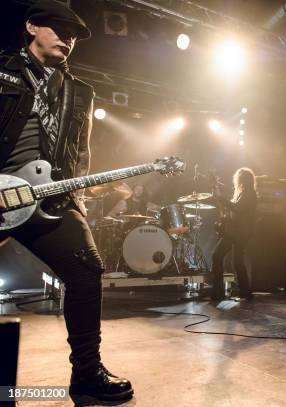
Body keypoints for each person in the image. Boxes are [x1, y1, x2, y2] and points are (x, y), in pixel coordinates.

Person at [0, 1, 133, 404]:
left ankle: (87, 374)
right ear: (31, 26)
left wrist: (77, 193)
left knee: (87, 267)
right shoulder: (2, 70)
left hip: (50, 196)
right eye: (58, 27)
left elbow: (79, 152)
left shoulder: (80, 91)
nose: (68, 37)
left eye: (74, 33)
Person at [211, 168, 258, 301]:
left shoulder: (249, 194)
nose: (235, 179)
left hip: (240, 232)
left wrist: (221, 198)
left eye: (237, 177)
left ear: (242, 179)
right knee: (224, 258)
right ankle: (239, 292)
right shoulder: (242, 193)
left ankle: (241, 292)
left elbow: (237, 208)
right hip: (235, 231)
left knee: (231, 260)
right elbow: (234, 211)